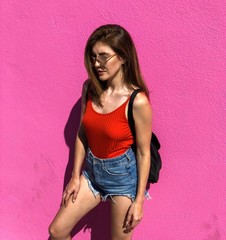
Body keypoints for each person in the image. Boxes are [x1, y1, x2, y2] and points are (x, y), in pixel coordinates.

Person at [49, 24, 152, 240]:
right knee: (57, 231)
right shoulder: (90, 89)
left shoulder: (137, 100)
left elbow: (143, 153)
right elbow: (82, 134)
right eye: (93, 57)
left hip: (123, 178)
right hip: (92, 172)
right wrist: (75, 176)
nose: (97, 63)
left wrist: (139, 201)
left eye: (104, 56)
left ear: (123, 57)